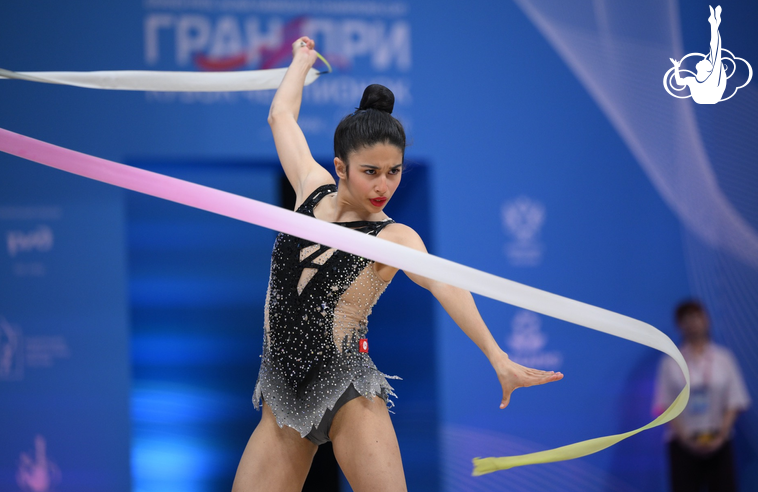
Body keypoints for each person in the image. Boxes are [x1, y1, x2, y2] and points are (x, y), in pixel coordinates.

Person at [231, 37, 564, 492]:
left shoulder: (394, 237)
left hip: (347, 389)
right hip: (282, 398)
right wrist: (301, 61)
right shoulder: (310, 188)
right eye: (370, 171)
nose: (383, 185)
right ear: (340, 167)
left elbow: (447, 285)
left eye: (394, 171)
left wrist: (497, 356)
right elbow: (281, 116)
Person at [654, 300, 750, 492]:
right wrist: (686, 440)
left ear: (707, 319)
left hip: (719, 440)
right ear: (679, 324)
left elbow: (736, 400)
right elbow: (663, 404)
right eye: (686, 318)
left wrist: (721, 436)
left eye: (697, 316)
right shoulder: (670, 362)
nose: (693, 322)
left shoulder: (724, 358)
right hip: (682, 443)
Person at [670, 5, 726, 104]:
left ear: (707, 69)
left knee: (715, 51)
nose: (703, 59)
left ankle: (714, 23)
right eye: (706, 60)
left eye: (705, 61)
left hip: (711, 96)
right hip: (705, 97)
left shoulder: (712, 78)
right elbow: (679, 82)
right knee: (715, 51)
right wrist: (676, 67)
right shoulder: (693, 80)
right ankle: (714, 23)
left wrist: (714, 25)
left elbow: (715, 48)